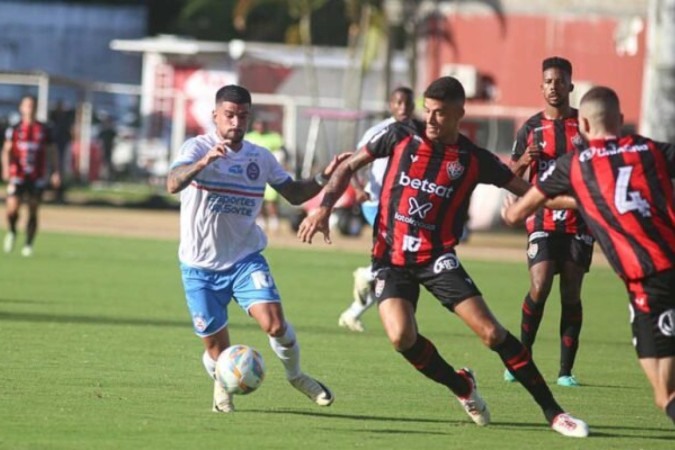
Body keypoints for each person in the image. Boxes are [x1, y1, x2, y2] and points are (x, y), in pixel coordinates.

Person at [298, 76, 589, 437]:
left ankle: (554, 413)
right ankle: (461, 385)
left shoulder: (473, 159)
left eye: (440, 113)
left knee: (491, 333)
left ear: (459, 114)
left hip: (436, 259)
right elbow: (346, 166)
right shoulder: (400, 135)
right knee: (401, 338)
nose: (431, 120)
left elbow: (530, 193)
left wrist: (585, 203)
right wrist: (323, 208)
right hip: (390, 258)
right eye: (428, 111)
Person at [166, 85, 347, 413]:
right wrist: (203, 162)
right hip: (199, 267)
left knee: (275, 324)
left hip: (244, 259)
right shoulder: (197, 147)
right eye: (229, 115)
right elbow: (172, 183)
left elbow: (293, 193)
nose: (236, 122)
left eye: (243, 116)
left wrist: (323, 177)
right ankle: (222, 383)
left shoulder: (260, 157)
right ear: (216, 117)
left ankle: (296, 376)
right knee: (217, 351)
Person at [504, 86, 675, 426]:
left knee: (665, 391)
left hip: (651, 276)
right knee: (662, 395)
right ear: (621, 120)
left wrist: (511, 213)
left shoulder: (576, 165)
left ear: (581, 124)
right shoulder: (651, 150)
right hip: (652, 277)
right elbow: (590, 199)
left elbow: (519, 211)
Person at [505, 57, 594, 387]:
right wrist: (524, 161)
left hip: (579, 222)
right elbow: (508, 175)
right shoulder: (530, 128)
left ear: (570, 86)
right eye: (548, 81)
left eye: (559, 81)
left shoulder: (584, 127)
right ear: (540, 87)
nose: (553, 87)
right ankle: (520, 359)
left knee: (571, 293)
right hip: (542, 219)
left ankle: (565, 371)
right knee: (539, 285)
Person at [338, 86, 422, 332]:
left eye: (407, 102)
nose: (403, 107)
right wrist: (359, 189)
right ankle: (368, 272)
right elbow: (351, 163)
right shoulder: (379, 131)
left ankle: (352, 313)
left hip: (408, 206)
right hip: (378, 203)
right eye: (398, 102)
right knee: (398, 261)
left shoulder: (421, 131)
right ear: (390, 105)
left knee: (401, 266)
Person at [2, 95, 61, 257]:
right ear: (21, 108)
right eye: (27, 105)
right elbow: (6, 151)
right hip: (18, 174)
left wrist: (56, 171)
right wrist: (6, 169)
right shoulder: (14, 129)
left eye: (33, 105)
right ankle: (12, 231)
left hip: (37, 175)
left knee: (33, 209)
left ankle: (28, 244)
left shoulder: (44, 129)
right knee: (12, 209)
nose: (30, 108)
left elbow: (52, 151)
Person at [245, 118, 287, 232]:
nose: (260, 127)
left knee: (271, 199)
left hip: (270, 173)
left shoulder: (275, 138)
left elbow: (283, 153)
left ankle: (274, 222)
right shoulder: (248, 137)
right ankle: (260, 222)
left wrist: (283, 162)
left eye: (262, 124)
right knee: (256, 199)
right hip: (253, 174)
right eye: (257, 124)